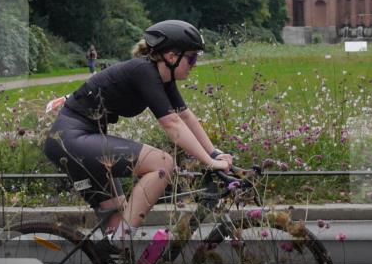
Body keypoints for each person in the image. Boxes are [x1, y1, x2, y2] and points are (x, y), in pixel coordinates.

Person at [43, 20, 232, 247]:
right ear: (172, 56)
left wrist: (215, 153)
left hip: (80, 140)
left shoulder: (164, 78)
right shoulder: (143, 70)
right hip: (71, 139)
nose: (194, 64)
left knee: (119, 222)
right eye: (192, 58)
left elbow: (185, 117)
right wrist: (209, 162)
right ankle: (118, 242)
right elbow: (172, 124)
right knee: (162, 163)